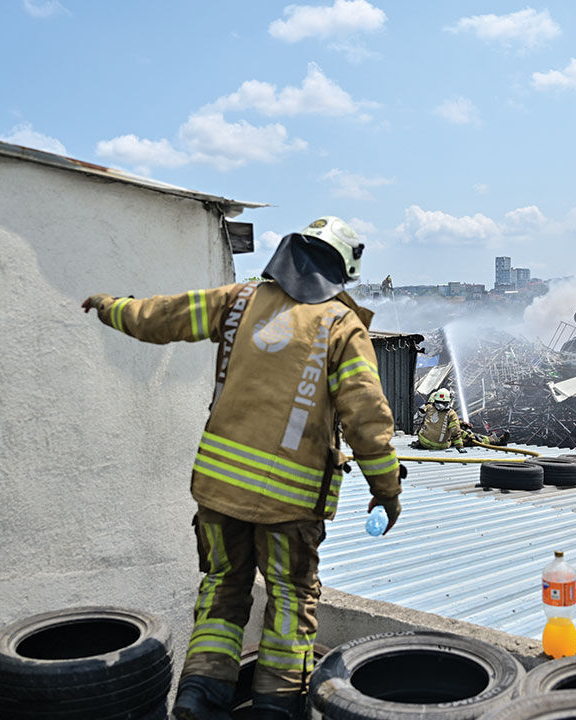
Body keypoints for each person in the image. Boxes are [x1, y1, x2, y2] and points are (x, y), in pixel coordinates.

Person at [82, 216, 402, 720]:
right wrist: (387, 491)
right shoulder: (342, 326)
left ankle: (198, 697)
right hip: (289, 505)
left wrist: (110, 307)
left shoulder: (239, 301)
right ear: (342, 270)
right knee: (290, 599)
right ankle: (275, 707)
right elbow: (367, 419)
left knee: (222, 590)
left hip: (218, 493)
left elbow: (160, 316)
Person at [410, 389, 508, 451]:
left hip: (423, 440)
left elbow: (438, 421)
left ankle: (492, 440)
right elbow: (456, 432)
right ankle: (494, 441)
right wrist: (461, 445)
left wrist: (461, 423)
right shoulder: (450, 413)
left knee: (463, 435)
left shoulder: (428, 409)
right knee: (470, 438)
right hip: (440, 444)